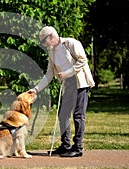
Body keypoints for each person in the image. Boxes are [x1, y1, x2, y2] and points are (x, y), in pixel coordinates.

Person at [28, 26, 95, 157]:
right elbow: (49, 74)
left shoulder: (71, 43)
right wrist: (35, 89)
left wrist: (67, 73)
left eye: (44, 41)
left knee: (78, 115)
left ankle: (78, 147)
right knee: (63, 115)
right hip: (68, 85)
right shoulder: (51, 52)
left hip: (80, 83)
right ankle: (65, 145)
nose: (44, 44)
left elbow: (83, 60)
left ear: (51, 36)